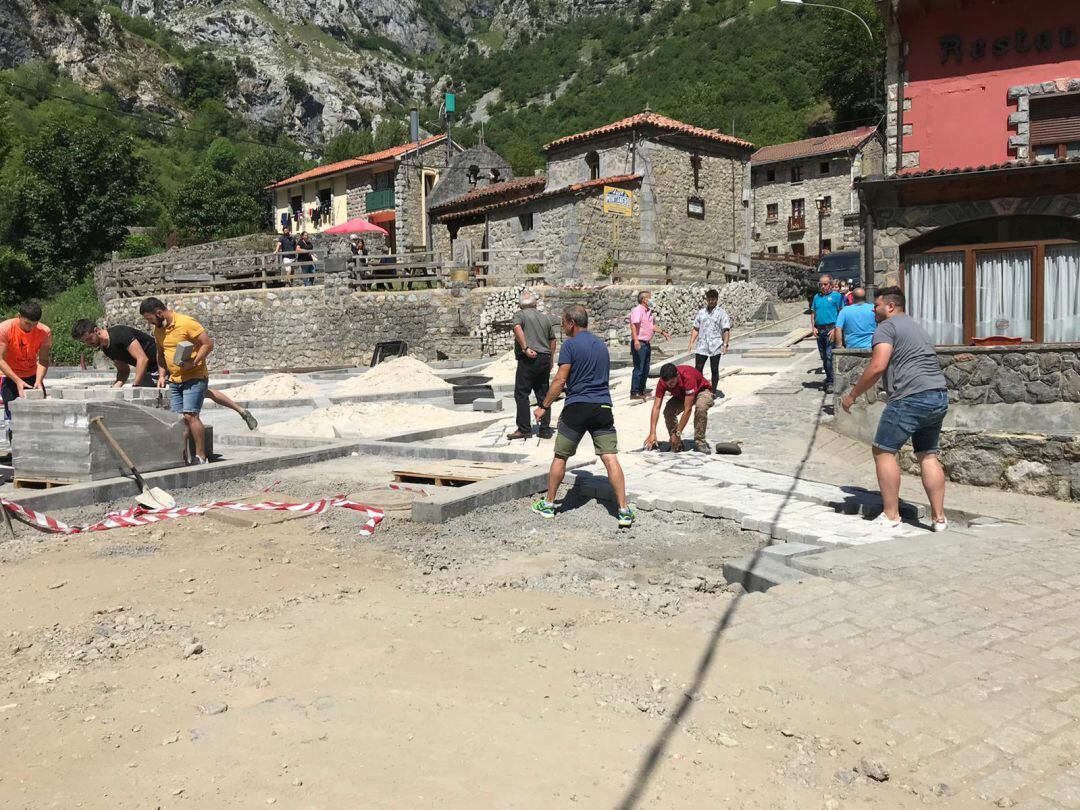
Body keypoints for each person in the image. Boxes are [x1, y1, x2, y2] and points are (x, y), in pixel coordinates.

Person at [841, 286, 949, 533]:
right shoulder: (915, 326)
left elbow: (878, 365)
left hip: (910, 397)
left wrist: (852, 395)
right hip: (938, 395)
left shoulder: (886, 328)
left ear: (890, 306)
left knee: (883, 451)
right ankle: (939, 519)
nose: (873, 309)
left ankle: (891, 516)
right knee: (928, 455)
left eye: (876, 305)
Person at [531, 304, 634, 528]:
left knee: (560, 456)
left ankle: (548, 505)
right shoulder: (601, 345)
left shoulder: (570, 346)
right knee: (610, 457)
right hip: (602, 408)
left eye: (564, 323)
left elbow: (559, 380)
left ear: (571, 323)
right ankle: (624, 510)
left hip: (577, 407)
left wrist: (544, 406)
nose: (563, 328)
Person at [70, 319, 258, 430]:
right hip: (148, 371)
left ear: (96, 330)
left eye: (88, 339)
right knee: (159, 403)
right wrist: (114, 390)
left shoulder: (119, 334)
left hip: (163, 364)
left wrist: (135, 387)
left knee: (200, 391)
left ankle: (241, 411)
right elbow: (123, 371)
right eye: (85, 342)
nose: (88, 343)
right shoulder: (106, 349)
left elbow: (142, 359)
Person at [139, 298, 215, 464]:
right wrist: (161, 375)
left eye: (150, 319)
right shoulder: (158, 331)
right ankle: (181, 456)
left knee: (191, 415)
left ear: (159, 313)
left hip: (194, 376)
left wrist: (193, 363)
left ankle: (201, 457)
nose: (150, 323)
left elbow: (207, 344)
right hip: (175, 380)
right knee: (178, 419)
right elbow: (160, 354)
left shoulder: (186, 323)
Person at [507, 291, 557, 441]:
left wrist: (525, 347)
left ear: (520, 305)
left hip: (529, 358)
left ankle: (524, 429)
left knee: (521, 394)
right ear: (535, 303)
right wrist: (550, 360)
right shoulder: (545, 318)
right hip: (544, 357)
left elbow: (517, 328)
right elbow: (552, 341)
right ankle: (545, 429)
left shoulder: (519, 315)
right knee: (543, 393)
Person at [0, 303, 51, 440]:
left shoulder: (44, 331)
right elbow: (0, 360)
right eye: (27, 324)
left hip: (32, 376)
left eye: (34, 324)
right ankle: (18, 455)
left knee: (40, 416)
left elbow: (44, 360)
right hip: (10, 377)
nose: (31, 328)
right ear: (19, 317)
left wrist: (39, 380)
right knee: (15, 418)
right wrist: (17, 380)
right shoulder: (5, 329)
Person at [644, 363, 715, 455]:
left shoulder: (688, 377)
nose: (670, 386)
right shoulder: (662, 381)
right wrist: (652, 432)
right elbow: (656, 406)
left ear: (677, 375)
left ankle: (700, 441)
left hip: (701, 391)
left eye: (672, 382)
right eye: (668, 384)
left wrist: (678, 433)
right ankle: (676, 442)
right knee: (668, 411)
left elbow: (687, 409)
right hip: (682, 395)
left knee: (700, 407)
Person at [628, 291, 670, 401]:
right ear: (644, 299)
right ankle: (634, 392)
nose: (652, 300)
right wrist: (636, 340)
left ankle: (641, 390)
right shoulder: (638, 310)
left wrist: (663, 332)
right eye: (650, 298)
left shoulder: (648, 311)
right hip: (639, 342)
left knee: (646, 368)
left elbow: (652, 326)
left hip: (646, 343)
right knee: (639, 368)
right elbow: (633, 325)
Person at [689, 289, 731, 393]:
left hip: (715, 345)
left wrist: (725, 344)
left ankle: (713, 391)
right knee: (698, 368)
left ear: (716, 299)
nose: (711, 301)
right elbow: (696, 328)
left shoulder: (721, 313)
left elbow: (725, 329)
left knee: (714, 369)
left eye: (713, 299)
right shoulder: (701, 313)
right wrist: (691, 342)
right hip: (702, 345)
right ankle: (699, 389)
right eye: (709, 299)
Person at [810, 274, 845, 393]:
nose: (823, 286)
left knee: (830, 356)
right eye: (821, 284)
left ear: (830, 285)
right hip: (819, 330)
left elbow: (841, 313)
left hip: (831, 329)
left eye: (825, 284)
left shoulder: (837, 296)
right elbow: (813, 313)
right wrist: (813, 327)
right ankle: (829, 378)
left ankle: (831, 381)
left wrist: (836, 329)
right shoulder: (816, 297)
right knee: (824, 356)